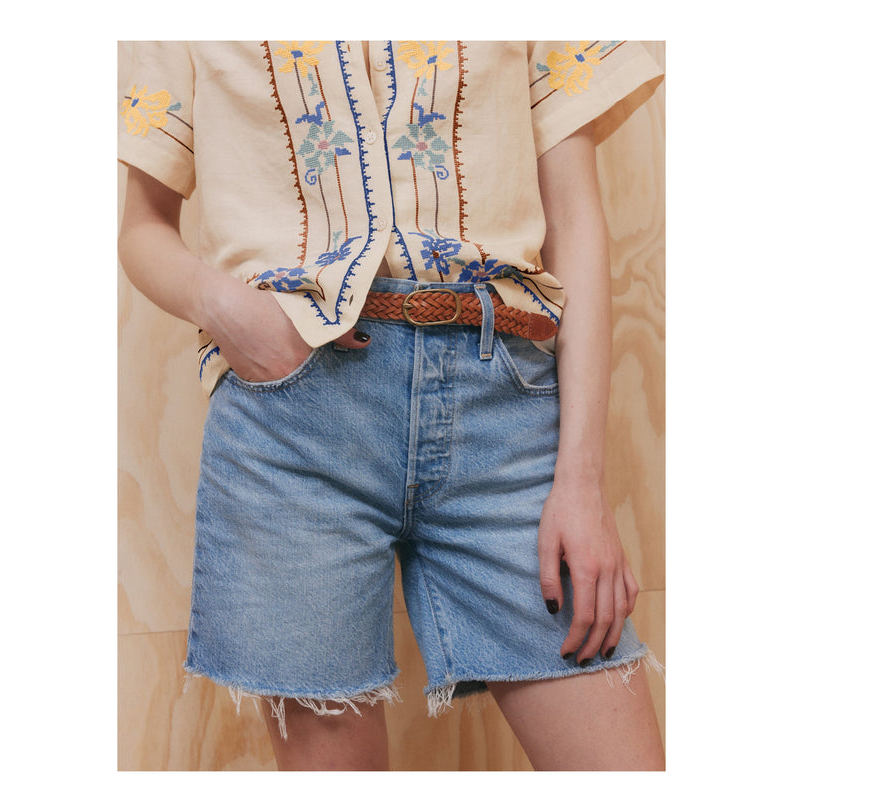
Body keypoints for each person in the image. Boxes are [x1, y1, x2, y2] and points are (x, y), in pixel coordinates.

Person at [118, 40, 665, 770]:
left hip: (504, 412)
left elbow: (575, 217)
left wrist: (582, 483)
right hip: (293, 427)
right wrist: (222, 306)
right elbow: (141, 227)